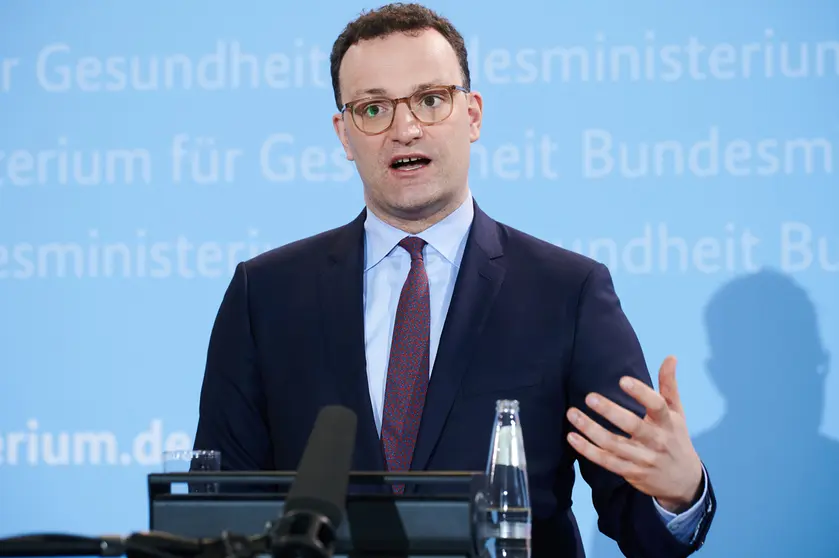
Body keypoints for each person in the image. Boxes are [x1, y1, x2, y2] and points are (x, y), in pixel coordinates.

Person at [192, 3, 716, 556]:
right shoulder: (266, 295)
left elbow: (638, 522)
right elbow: (222, 511)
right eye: (374, 109)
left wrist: (679, 493)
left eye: (430, 99)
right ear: (344, 135)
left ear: (473, 115)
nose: (406, 128)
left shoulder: (567, 293)